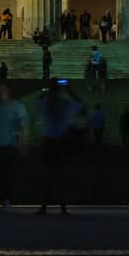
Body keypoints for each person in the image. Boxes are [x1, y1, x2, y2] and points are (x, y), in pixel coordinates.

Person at [35, 83, 84, 215]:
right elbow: (78, 102)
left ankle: (45, 206)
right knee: (60, 175)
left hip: (49, 142)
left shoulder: (46, 104)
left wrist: (46, 88)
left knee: (49, 175)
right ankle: (62, 207)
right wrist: (68, 89)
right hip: (60, 142)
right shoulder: (64, 104)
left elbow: (38, 100)